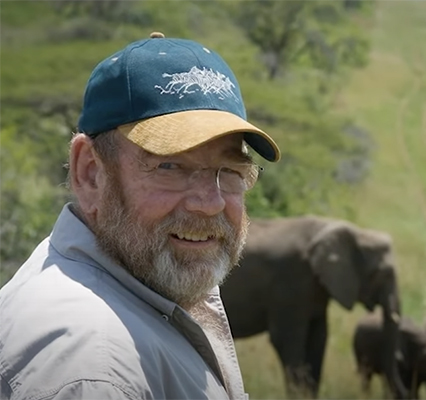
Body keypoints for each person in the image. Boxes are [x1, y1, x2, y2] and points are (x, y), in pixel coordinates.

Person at [0, 32, 281, 400]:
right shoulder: (94, 371)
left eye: (230, 171)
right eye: (170, 166)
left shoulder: (144, 293)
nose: (210, 203)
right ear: (90, 173)